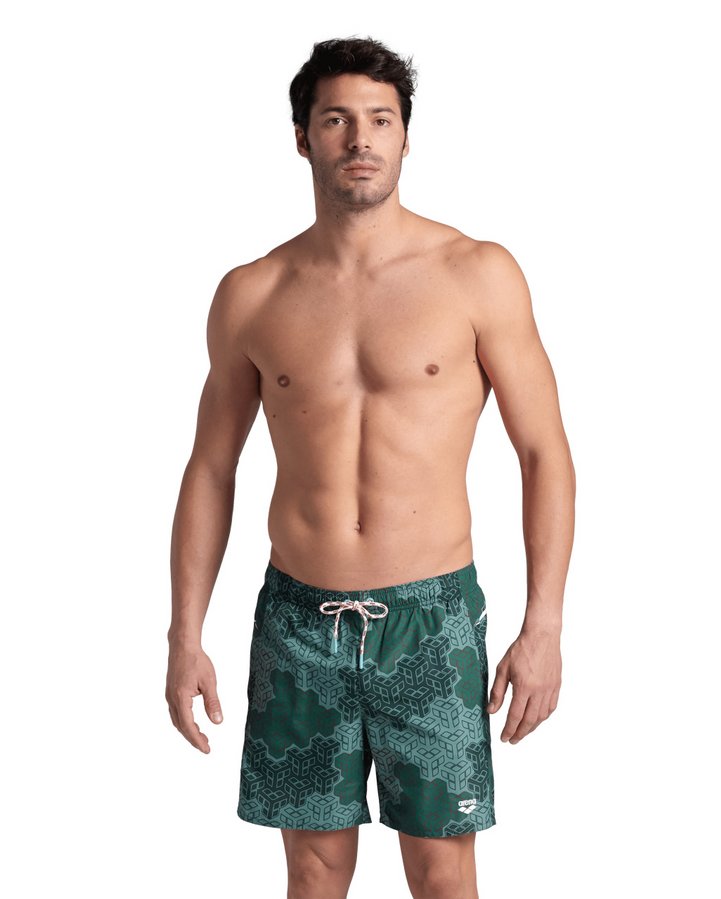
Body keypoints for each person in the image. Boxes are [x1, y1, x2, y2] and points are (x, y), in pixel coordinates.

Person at [166, 35, 575, 899]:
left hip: (431, 619)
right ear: (302, 137)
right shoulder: (253, 291)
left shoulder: (476, 273)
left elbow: (544, 453)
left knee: (441, 871)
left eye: (381, 120)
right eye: (337, 120)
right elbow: (210, 468)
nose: (361, 139)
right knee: (314, 872)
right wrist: (184, 633)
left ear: (406, 138)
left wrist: (543, 624)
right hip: (298, 619)